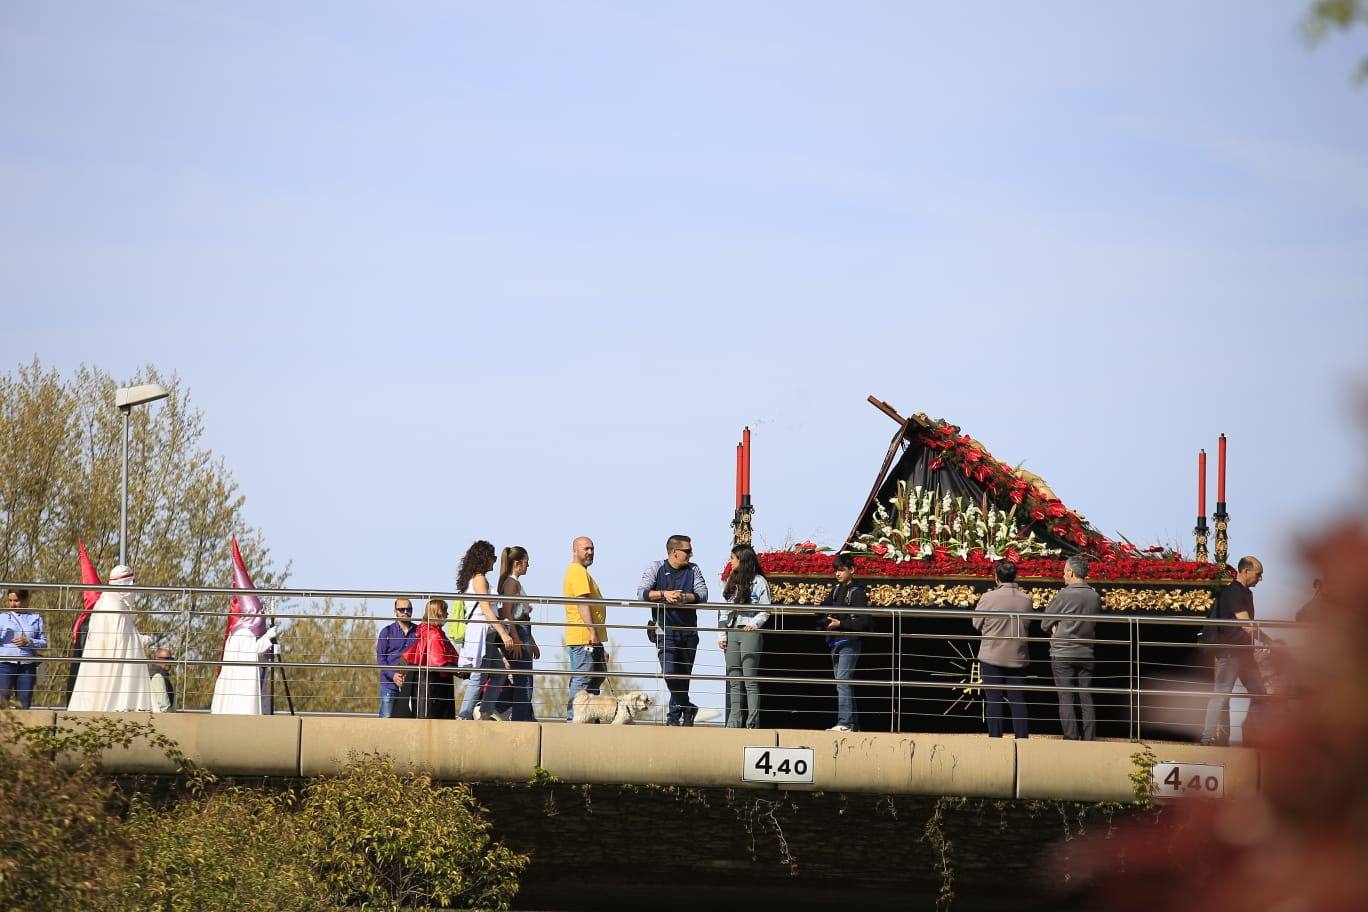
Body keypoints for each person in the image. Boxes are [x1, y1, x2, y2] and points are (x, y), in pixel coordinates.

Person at [639, 534, 709, 726]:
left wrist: (684, 598)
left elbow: (703, 595)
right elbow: (641, 593)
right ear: (674, 552)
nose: (691, 554)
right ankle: (688, 708)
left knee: (683, 678)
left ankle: (674, 717)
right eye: (687, 551)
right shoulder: (656, 567)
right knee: (670, 673)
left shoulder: (694, 569)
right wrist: (664, 595)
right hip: (664, 630)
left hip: (689, 632)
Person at [68, 566, 154, 713]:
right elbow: (122, 639)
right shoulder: (113, 604)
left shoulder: (107, 600)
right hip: (116, 664)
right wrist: (142, 640)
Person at [1201, 555, 1267, 746]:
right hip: (1232, 653)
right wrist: (1268, 641)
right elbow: (1246, 624)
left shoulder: (1245, 593)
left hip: (1243, 653)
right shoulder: (1234, 593)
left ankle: (1261, 738)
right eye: (1258, 574)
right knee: (1222, 695)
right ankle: (1207, 737)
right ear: (1245, 572)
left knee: (1258, 694)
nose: (1260, 578)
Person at [456, 540, 521, 721]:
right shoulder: (479, 579)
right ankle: (464, 715)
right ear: (484, 558)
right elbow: (485, 609)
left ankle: (485, 711)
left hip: (488, 633)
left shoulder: (478, 579)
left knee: (499, 671)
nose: (494, 560)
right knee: (479, 675)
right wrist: (504, 633)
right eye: (492, 557)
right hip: (482, 632)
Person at [1039, 555, 1100, 741]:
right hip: (1086, 652)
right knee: (1086, 697)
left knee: (1066, 696)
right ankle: (1090, 738)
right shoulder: (1094, 596)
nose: (1063, 575)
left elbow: (1044, 624)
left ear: (1071, 573)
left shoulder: (1064, 594)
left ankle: (1071, 737)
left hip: (1063, 651)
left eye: (1064, 571)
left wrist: (1055, 625)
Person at [972, 559, 1032, 739]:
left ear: (996, 577)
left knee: (994, 699)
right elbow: (1028, 624)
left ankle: (995, 738)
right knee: (1017, 699)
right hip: (1017, 655)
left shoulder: (988, 598)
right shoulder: (1026, 599)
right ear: (1015, 577)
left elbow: (976, 624)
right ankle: (1022, 739)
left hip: (992, 656)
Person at [719, 544, 771, 728]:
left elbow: (766, 610)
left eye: (733, 557)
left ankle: (752, 722)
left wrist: (753, 624)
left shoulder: (759, 582)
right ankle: (734, 721)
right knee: (734, 679)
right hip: (732, 632)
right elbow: (723, 610)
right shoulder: (731, 581)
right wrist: (722, 634)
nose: (730, 561)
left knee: (749, 679)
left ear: (742, 559)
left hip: (749, 631)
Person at [820, 553, 869, 732]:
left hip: (849, 642)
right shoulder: (835, 590)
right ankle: (851, 724)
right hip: (835, 642)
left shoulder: (858, 593)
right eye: (836, 570)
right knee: (843, 682)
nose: (837, 574)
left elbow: (864, 621)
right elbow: (821, 612)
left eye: (841, 570)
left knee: (842, 682)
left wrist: (841, 623)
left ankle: (845, 723)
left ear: (852, 570)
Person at [564, 535, 607, 721]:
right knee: (582, 679)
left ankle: (590, 717)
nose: (590, 552)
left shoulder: (581, 572)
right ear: (575, 551)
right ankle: (574, 718)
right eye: (585, 549)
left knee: (596, 676)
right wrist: (591, 631)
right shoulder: (577, 571)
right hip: (584, 637)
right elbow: (582, 602)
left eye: (592, 548)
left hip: (590, 636)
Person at [496, 546, 540, 722]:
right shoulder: (511, 583)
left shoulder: (515, 583)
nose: (528, 566)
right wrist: (515, 637)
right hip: (518, 633)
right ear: (517, 563)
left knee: (524, 679)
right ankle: (519, 718)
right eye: (526, 563)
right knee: (524, 681)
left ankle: (522, 716)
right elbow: (507, 612)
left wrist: (532, 641)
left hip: (523, 632)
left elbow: (520, 615)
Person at [398, 599, 460, 719]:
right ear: (437, 613)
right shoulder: (434, 634)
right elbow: (439, 661)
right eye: (445, 611)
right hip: (433, 688)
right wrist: (460, 671)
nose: (447, 614)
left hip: (426, 685)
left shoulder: (428, 631)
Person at [1, 589, 48, 710]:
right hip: (4, 665)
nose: (12, 604)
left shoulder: (36, 618)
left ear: (26, 600)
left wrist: (28, 641)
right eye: (10, 600)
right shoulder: (2, 618)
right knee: (1, 702)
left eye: (16, 600)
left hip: (27, 666)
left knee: (24, 704)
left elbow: (44, 643)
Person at [376, 598, 418, 717]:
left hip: (411, 686)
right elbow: (380, 659)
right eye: (401, 609)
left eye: (408, 609)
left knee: (409, 721)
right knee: (386, 718)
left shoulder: (419, 632)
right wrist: (393, 675)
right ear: (395, 611)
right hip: (389, 685)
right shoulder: (386, 632)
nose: (405, 612)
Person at [149, 647, 176, 713]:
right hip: (162, 719)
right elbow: (164, 707)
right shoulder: (158, 676)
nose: (169, 662)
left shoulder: (163, 675)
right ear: (157, 659)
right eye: (167, 659)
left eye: (171, 659)